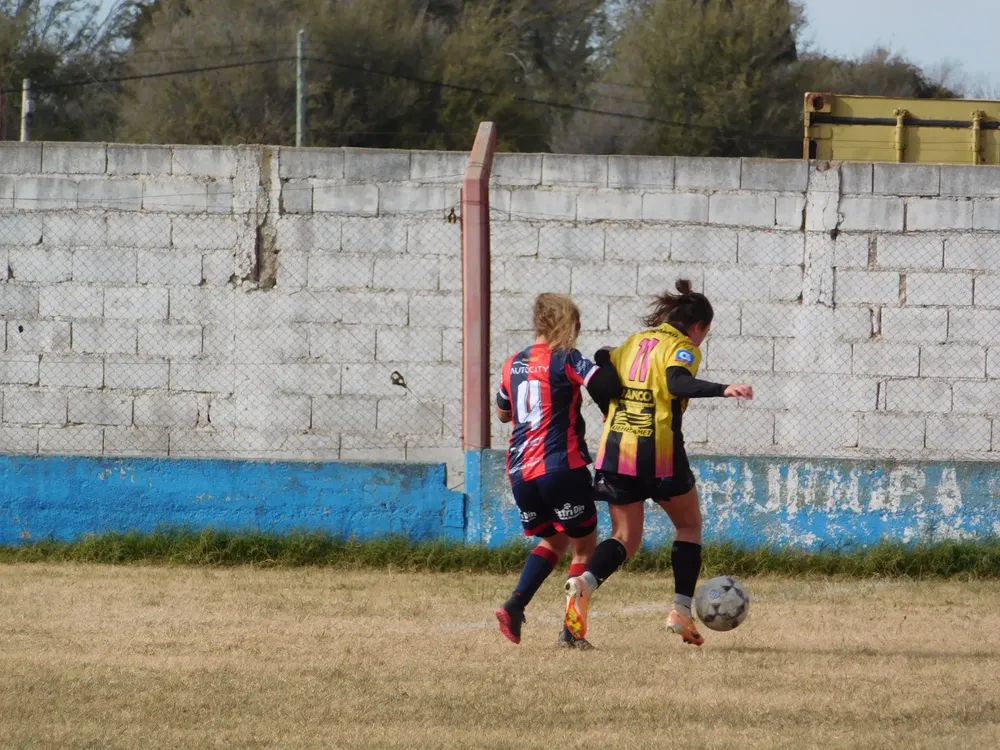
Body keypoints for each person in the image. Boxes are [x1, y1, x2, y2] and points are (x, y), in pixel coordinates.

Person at [563, 279, 753, 647]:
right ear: (698, 326)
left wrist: (607, 396)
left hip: (616, 450)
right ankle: (680, 611)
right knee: (689, 526)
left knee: (625, 537)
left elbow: (602, 366)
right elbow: (676, 383)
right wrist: (723, 389)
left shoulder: (635, 341)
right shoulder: (682, 348)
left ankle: (585, 583)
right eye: (705, 333)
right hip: (659, 453)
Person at [494, 293, 622, 649]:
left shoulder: (511, 364)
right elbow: (608, 387)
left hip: (520, 472)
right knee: (585, 548)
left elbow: (503, 413)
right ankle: (571, 632)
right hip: (560, 467)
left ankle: (515, 604)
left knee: (554, 539)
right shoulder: (567, 358)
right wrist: (605, 361)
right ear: (569, 324)